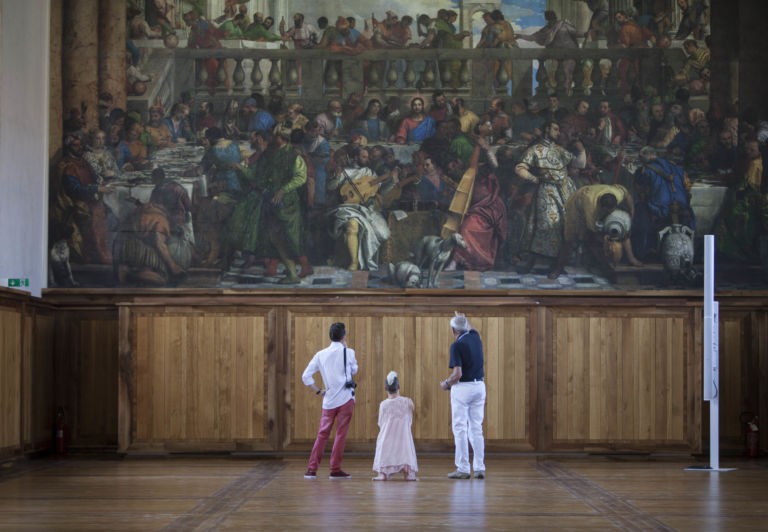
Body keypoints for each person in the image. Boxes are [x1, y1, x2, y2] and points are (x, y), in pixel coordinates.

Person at [302, 322, 358, 480]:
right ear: (343, 336)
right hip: (346, 399)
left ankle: (311, 470)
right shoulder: (349, 352)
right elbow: (354, 370)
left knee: (322, 434)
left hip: (328, 400)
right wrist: (346, 348)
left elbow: (305, 376)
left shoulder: (320, 355)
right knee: (340, 435)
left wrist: (318, 391)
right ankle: (335, 469)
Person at [440, 312, 486, 480]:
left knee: (460, 427)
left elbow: (457, 374)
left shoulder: (456, 346)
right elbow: (471, 326)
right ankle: (480, 467)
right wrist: (464, 317)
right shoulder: (475, 337)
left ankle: (463, 468)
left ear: (453, 330)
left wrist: (446, 384)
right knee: (476, 427)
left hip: (463, 388)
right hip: (480, 386)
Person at [372, 371, 419, 481]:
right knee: (406, 447)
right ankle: (408, 474)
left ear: (385, 388)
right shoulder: (408, 402)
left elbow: (380, 423)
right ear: (398, 386)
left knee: (383, 445)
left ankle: (383, 474)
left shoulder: (383, 405)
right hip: (403, 438)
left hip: (387, 438)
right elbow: (411, 414)